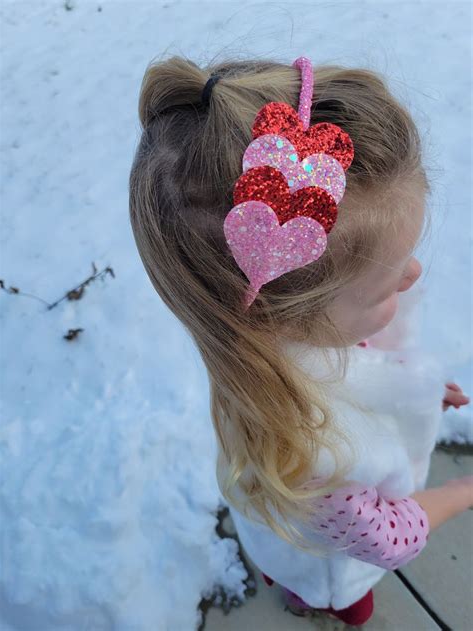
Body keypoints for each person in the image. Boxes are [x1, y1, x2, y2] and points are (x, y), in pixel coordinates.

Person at [128, 54, 471, 626]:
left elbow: (359, 371)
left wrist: (423, 392)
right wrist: (461, 493)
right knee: (339, 599)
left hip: (279, 516)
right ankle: (311, 599)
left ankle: (279, 570)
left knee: (278, 549)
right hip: (333, 561)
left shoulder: (249, 343)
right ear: (288, 316)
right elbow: (391, 542)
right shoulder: (316, 463)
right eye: (387, 285)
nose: (413, 277)